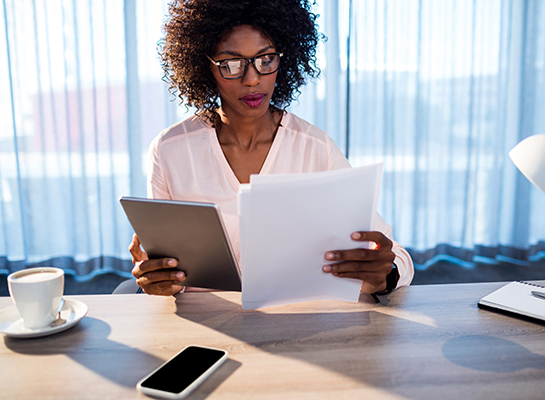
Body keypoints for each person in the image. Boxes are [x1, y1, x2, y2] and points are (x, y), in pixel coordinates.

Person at [129, 0, 414, 297]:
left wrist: (385, 275)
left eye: (265, 60)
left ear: (283, 59)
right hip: (207, 331)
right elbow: (163, 270)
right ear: (204, 67)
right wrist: (157, 282)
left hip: (294, 329)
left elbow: (400, 258)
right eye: (231, 64)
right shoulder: (170, 150)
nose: (252, 79)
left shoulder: (316, 148)